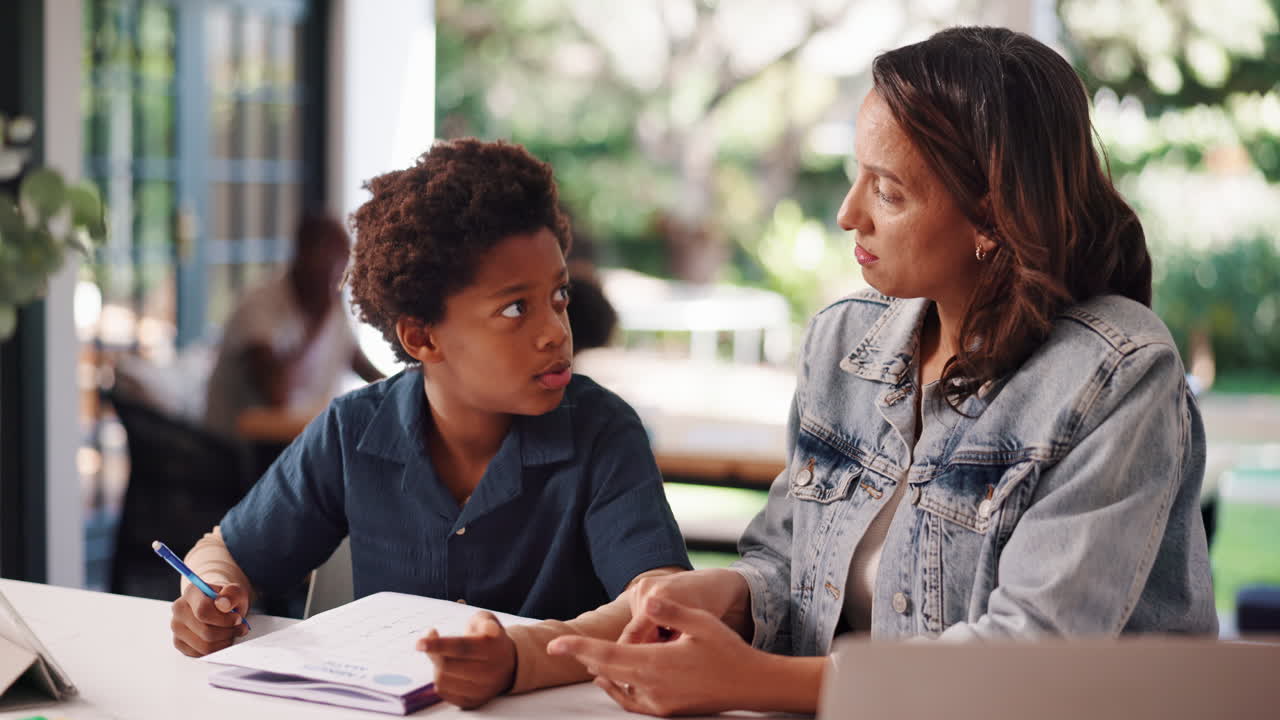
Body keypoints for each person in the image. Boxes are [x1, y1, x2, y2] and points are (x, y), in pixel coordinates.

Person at [546, 26, 1217, 717]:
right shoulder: (844, 339)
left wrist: (750, 679)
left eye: (888, 193)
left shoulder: (1118, 375)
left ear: (991, 217)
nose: (848, 214)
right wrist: (732, 595)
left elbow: (1029, 663)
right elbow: (789, 563)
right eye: (856, 175)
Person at [168, 140, 692, 692]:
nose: (556, 332)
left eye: (559, 296)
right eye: (516, 308)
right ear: (422, 338)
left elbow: (661, 604)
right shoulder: (352, 431)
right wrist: (209, 592)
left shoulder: (602, 432)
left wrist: (523, 658)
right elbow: (226, 550)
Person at [203, 213, 384, 440]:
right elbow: (277, 394)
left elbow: (361, 366)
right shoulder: (260, 306)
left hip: (295, 442)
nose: (339, 274)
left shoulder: (332, 306)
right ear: (302, 256)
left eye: (342, 262)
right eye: (329, 260)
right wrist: (319, 322)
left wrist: (409, 386)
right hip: (237, 448)